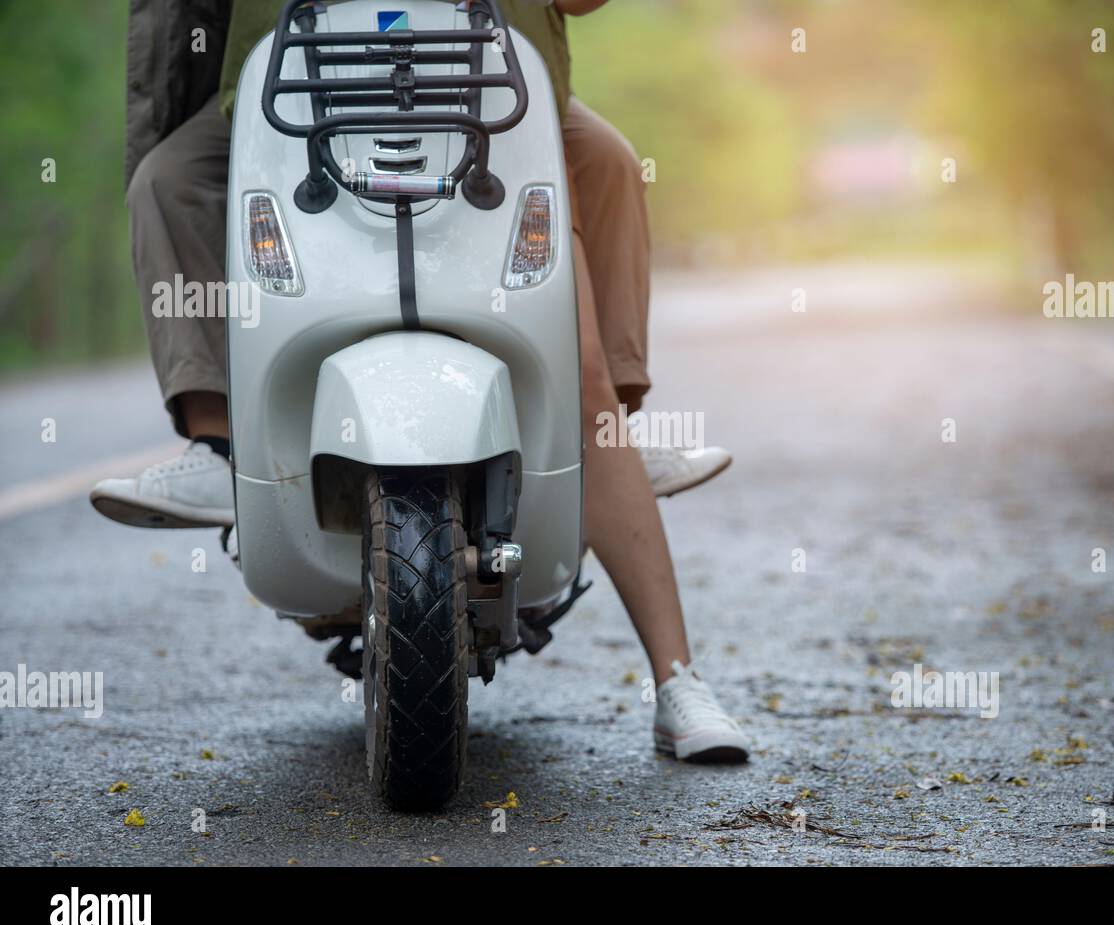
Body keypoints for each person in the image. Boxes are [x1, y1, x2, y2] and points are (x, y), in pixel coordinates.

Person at [95, 0, 748, 762]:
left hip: (485, 87)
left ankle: (674, 673)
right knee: (167, 178)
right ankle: (216, 441)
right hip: (299, 89)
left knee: (605, 181)